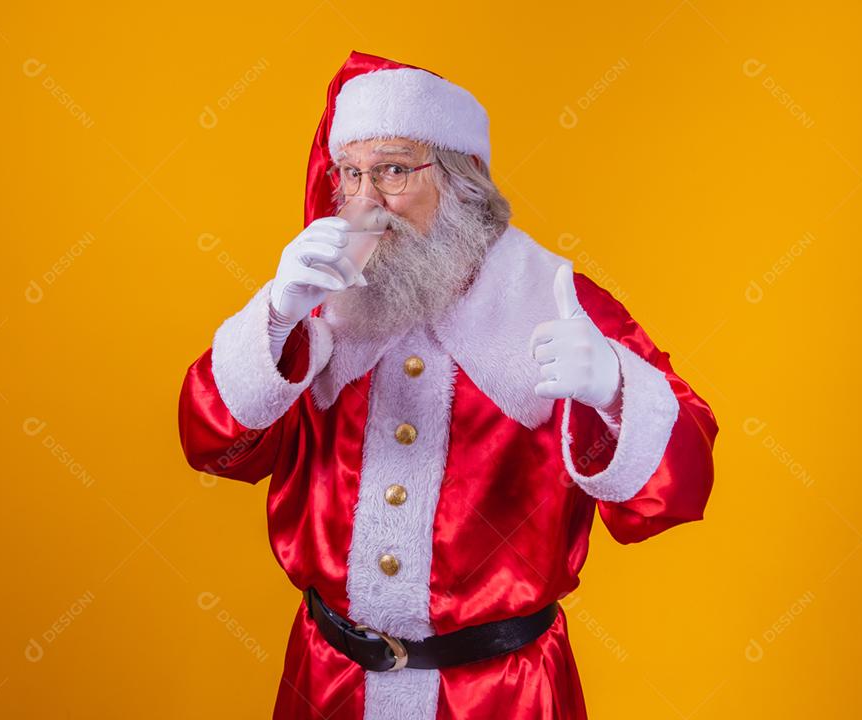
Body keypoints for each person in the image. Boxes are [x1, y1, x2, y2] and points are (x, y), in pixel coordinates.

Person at [177, 50, 718, 720]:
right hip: (329, 686)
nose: (366, 202)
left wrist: (613, 388)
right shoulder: (320, 298)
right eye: (350, 174)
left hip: (501, 698)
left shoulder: (553, 298)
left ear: (462, 180)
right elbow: (213, 447)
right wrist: (274, 316)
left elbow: (679, 487)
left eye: (394, 170)